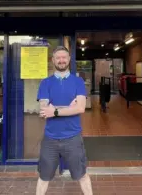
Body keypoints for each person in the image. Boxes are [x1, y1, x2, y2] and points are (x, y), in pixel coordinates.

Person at [35, 46, 93, 195]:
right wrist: (68, 108)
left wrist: (54, 110)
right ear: (53, 60)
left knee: (82, 175)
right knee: (43, 176)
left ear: (69, 60)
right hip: (50, 139)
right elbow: (43, 111)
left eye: (64, 57)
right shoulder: (45, 83)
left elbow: (80, 108)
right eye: (58, 58)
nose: (61, 60)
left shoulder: (78, 81)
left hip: (73, 137)